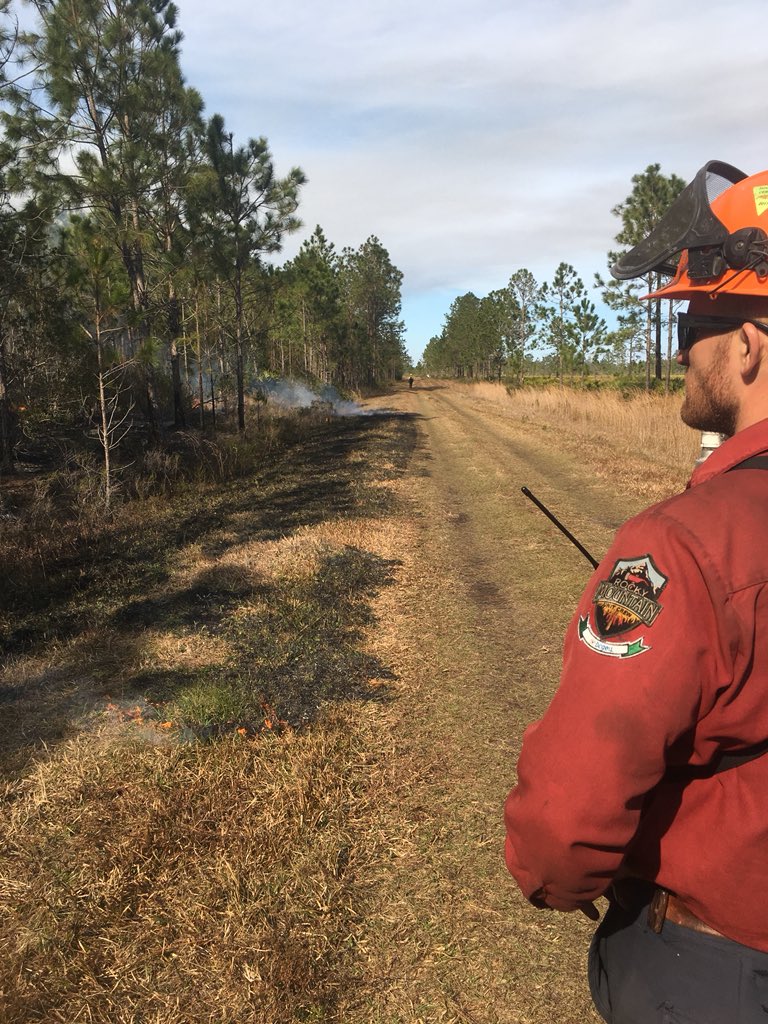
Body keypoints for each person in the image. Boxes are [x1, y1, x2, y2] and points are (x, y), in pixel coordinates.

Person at [504, 160, 768, 1024]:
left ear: (749, 344)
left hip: (711, 969)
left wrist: (558, 875)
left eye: (696, 319)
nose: (682, 344)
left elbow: (567, 816)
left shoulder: (679, 547)